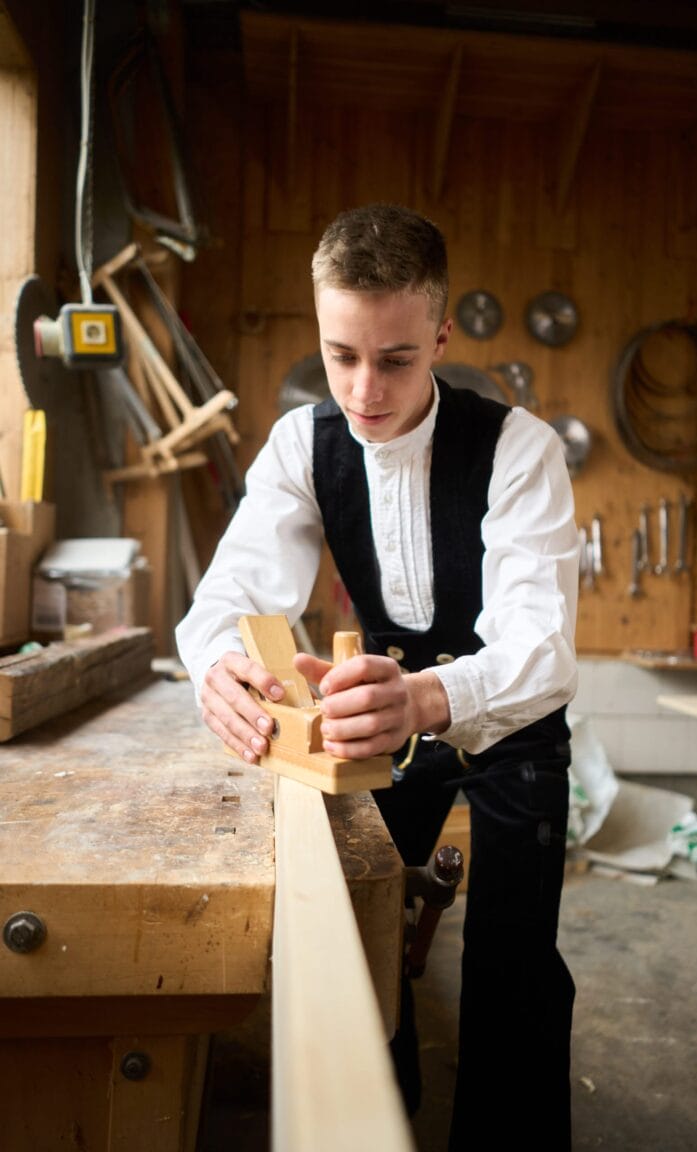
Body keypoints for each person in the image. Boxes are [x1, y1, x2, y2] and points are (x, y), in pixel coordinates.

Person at [175, 202, 580, 1150]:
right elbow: (225, 601)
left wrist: (430, 698)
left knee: (514, 968)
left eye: (395, 359)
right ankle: (378, 1117)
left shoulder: (522, 449)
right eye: (339, 355)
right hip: (375, 722)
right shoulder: (299, 446)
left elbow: (542, 648)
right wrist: (217, 671)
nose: (363, 388)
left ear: (442, 334)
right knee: (355, 932)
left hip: (508, 721)